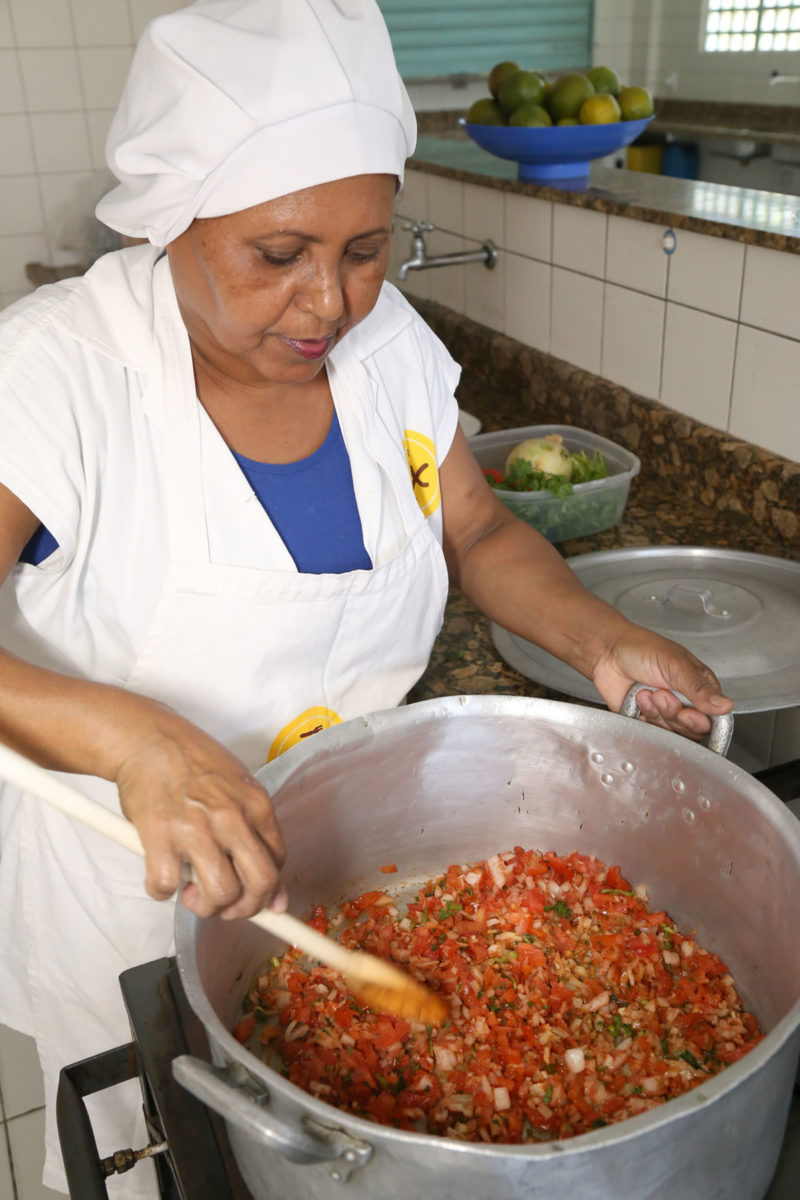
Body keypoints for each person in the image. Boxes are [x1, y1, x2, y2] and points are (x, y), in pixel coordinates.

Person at [0, 2, 732, 1196]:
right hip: (132, 896)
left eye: (362, 249)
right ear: (168, 220)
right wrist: (135, 743)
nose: (330, 304)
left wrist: (599, 638)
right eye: (278, 255)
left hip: (351, 867)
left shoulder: (385, 344)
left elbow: (476, 528)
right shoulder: (58, 371)